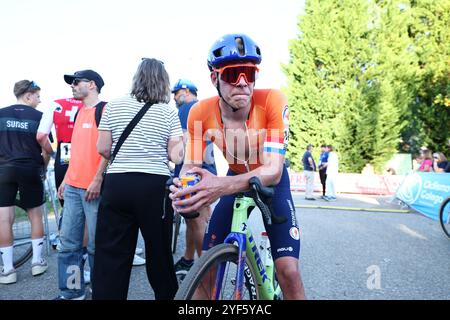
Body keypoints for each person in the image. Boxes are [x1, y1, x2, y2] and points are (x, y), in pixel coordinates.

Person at [170, 34, 306, 299]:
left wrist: (218, 186)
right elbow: (190, 166)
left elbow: (273, 170)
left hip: (271, 181)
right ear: (215, 79)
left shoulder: (273, 101)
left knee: (288, 270)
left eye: (249, 74)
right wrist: (183, 189)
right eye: (233, 74)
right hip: (234, 178)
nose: (243, 83)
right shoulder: (199, 112)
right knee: (205, 271)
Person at [93, 58, 183, 300]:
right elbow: (176, 155)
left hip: (117, 184)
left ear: (137, 77)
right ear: (163, 82)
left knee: (111, 255)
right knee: (159, 253)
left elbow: (102, 148)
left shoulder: (113, 106)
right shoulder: (168, 112)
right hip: (154, 187)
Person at [54, 70, 109, 300]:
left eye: (76, 82)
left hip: (94, 188)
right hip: (74, 187)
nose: (72, 86)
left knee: (97, 247)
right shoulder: (78, 113)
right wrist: (66, 180)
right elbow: (76, 151)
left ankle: (101, 291)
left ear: (92, 85)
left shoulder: (104, 109)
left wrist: (97, 178)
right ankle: (72, 292)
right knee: (68, 246)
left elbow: (109, 149)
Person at [0, 80, 53, 284]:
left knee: (4, 219)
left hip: (3, 170)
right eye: (38, 96)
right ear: (28, 95)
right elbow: (46, 148)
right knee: (36, 215)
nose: (40, 101)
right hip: (30, 168)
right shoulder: (40, 116)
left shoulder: (1, 113)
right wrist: (44, 167)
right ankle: (38, 262)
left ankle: (8, 269)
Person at [171, 79, 217, 280]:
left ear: (186, 91)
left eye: (176, 92)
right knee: (194, 220)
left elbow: (182, 143)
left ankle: (204, 274)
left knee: (197, 221)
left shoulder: (187, 108)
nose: (173, 97)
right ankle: (188, 259)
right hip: (205, 168)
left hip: (194, 171)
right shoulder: (203, 107)